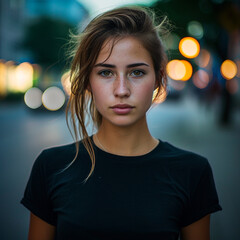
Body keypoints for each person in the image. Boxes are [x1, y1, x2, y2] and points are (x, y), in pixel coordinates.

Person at [21, 6, 222, 240]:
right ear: (87, 81)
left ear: (158, 79)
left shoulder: (192, 171)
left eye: (136, 72)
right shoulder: (52, 167)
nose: (122, 90)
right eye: (106, 73)